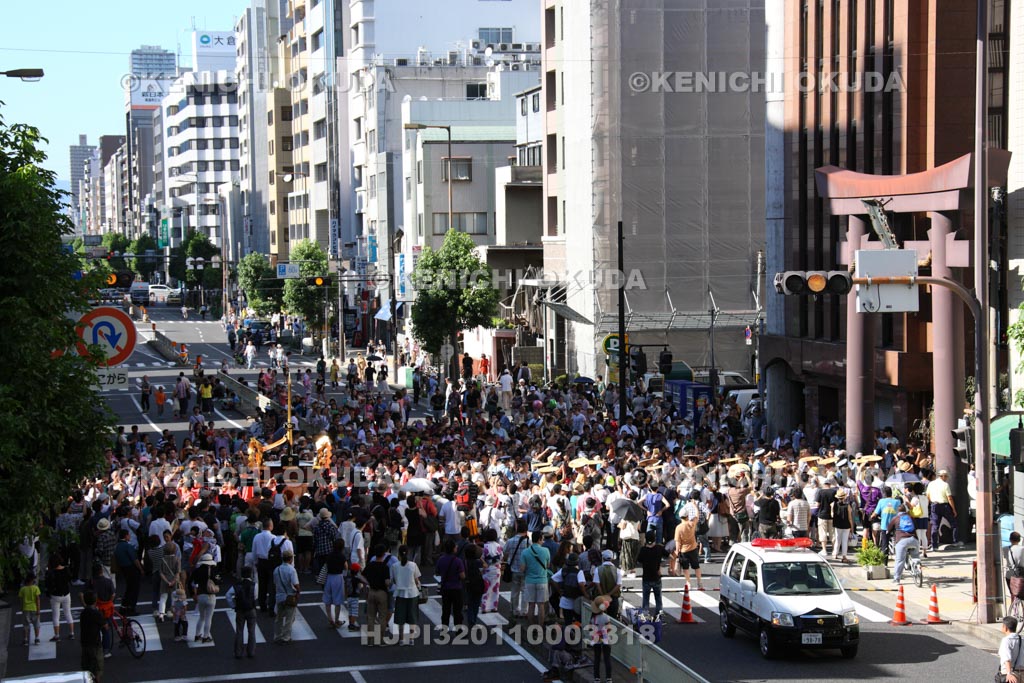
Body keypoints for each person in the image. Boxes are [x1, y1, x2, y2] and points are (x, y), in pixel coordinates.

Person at [390, 545, 422, 646]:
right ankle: (411, 639)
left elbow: (394, 580)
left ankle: (401, 639)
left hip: (400, 593)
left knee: (400, 617)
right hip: (412, 593)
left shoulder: (394, 566)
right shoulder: (413, 565)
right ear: (408, 553)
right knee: (412, 616)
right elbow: (417, 580)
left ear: (398, 554)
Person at [363, 545, 392, 645]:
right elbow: (387, 582)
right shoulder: (385, 567)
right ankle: (380, 639)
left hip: (371, 592)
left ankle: (370, 640)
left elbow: (361, 576)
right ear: (384, 554)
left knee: (371, 616)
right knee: (382, 617)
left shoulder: (370, 565)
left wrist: (368, 583)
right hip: (382, 593)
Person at [435, 538, 466, 631]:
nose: (456, 547)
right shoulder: (458, 561)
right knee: (457, 611)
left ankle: (444, 631)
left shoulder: (441, 559)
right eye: (455, 546)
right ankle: (459, 631)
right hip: (456, 588)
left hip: (445, 588)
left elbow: (437, 572)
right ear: (453, 549)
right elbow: (462, 576)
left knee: (446, 611)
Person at [522, 530, 552, 626]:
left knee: (531, 605)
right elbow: (547, 565)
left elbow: (522, 568)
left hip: (529, 581)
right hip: (542, 580)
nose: (543, 541)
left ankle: (531, 626)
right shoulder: (546, 551)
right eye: (542, 539)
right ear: (539, 539)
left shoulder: (525, 552)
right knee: (541, 605)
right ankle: (540, 626)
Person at [636, 530, 669, 614]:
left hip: (646, 578)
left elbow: (639, 561)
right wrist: (661, 565)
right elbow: (670, 556)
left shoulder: (643, 550)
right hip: (656, 577)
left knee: (645, 600)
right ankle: (658, 616)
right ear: (655, 539)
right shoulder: (659, 548)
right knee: (658, 599)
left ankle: (645, 616)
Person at [503, 519, 530, 620]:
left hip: (514, 569)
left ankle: (514, 610)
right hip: (525, 569)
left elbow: (505, 552)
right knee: (525, 590)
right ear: (526, 531)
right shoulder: (528, 542)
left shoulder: (510, 541)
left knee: (514, 590)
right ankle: (524, 611)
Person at [887, 505, 920, 585]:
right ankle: (918, 570)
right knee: (916, 557)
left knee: (899, 560)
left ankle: (896, 579)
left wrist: (889, 532)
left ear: (897, 511)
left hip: (902, 541)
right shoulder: (911, 517)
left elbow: (888, 529)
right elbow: (916, 527)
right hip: (914, 540)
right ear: (905, 510)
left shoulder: (895, 518)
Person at [272, 549, 300, 643]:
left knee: (279, 618)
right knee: (289, 618)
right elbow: (296, 584)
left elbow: (275, 583)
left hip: (279, 596)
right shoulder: (291, 570)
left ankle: (277, 636)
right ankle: (286, 637)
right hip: (289, 596)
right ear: (291, 558)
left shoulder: (276, 569)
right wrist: (298, 593)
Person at [927, 469, 959, 550]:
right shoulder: (945, 485)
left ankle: (934, 545)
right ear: (943, 476)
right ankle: (955, 541)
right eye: (946, 476)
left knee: (935, 526)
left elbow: (928, 495)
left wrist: (932, 503)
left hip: (934, 505)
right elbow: (949, 498)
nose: (947, 478)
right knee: (954, 523)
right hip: (944, 506)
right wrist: (954, 509)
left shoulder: (931, 484)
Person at [45, 554, 74, 641]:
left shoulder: (51, 572)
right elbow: (70, 579)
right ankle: (72, 633)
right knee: (68, 613)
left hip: (55, 595)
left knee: (55, 616)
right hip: (66, 594)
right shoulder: (66, 569)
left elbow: (48, 584)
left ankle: (57, 635)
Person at [190, 553, 219, 643]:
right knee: (208, 618)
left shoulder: (197, 571)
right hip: (210, 596)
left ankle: (197, 635)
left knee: (201, 617)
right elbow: (219, 581)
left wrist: (192, 594)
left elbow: (190, 582)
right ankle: (206, 636)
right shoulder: (214, 570)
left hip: (200, 595)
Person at [114, 528, 143, 616]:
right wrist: (141, 569)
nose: (129, 536)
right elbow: (135, 559)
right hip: (131, 569)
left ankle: (123, 607)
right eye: (128, 535)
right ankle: (131, 608)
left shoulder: (117, 546)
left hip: (123, 569)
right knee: (134, 589)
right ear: (126, 536)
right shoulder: (128, 546)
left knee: (129, 588)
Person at [672, 513, 705, 591]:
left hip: (683, 550)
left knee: (685, 568)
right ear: (687, 517)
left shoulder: (678, 527)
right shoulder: (691, 524)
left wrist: (677, 552)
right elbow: (697, 516)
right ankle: (699, 582)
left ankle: (688, 583)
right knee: (696, 566)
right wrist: (695, 507)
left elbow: (677, 542)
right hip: (693, 548)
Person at [79, 590, 105, 682]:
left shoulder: (83, 613)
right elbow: (105, 626)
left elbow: (87, 609)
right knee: (97, 669)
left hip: (85, 644)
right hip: (95, 644)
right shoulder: (97, 614)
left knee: (86, 669)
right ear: (95, 600)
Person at [233, 566, 258, 658]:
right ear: (250, 574)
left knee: (239, 631)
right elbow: (255, 597)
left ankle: (238, 652)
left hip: (240, 610)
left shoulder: (237, 585)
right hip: (251, 609)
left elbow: (228, 595)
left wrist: (233, 605)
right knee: (251, 631)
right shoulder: (254, 585)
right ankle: (251, 652)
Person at [589, 594, 614, 683]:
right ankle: (608, 678)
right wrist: (604, 633)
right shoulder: (606, 617)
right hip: (606, 640)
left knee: (597, 659)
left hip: (596, 640)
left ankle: (597, 678)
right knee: (607, 659)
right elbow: (609, 628)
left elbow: (591, 629)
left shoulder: (593, 618)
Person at [480, 527, 503, 613]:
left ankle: (484, 607)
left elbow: (482, 557)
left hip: (488, 569)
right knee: (495, 588)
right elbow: (501, 557)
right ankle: (494, 607)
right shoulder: (498, 546)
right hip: (496, 569)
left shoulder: (485, 546)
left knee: (486, 588)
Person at [998, 616, 1024, 683]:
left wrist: (1009, 673)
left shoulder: (1006, 640)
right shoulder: (1022, 639)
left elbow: (1007, 658)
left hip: (1011, 675)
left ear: (1005, 628)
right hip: (1022, 673)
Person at [19, 572, 41, 646]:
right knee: (36, 624)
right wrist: (38, 609)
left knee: (26, 625)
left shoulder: (22, 589)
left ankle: (25, 639)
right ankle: (37, 638)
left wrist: (22, 608)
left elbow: (21, 600)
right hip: (34, 608)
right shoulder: (36, 588)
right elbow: (37, 599)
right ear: (32, 580)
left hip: (25, 608)